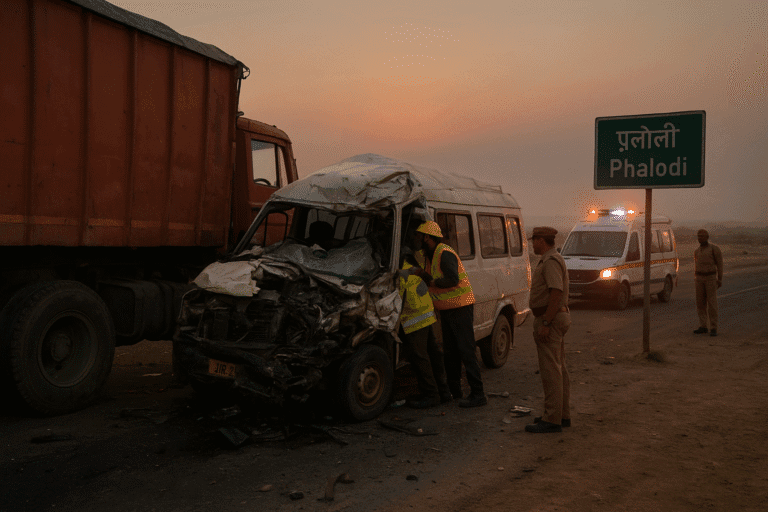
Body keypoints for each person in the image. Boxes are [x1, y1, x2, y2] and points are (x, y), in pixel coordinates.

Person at [411, 221, 487, 408]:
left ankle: (478, 394)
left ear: (427, 237)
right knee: (451, 352)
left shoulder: (444, 253)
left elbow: (452, 279)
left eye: (420, 236)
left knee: (466, 351)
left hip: (460, 308)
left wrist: (432, 282)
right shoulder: (430, 255)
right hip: (448, 310)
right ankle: (455, 393)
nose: (418, 239)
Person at [526, 226, 571, 433]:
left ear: (541, 241)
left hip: (550, 319)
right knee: (558, 368)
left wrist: (546, 322)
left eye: (533, 240)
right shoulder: (551, 258)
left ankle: (552, 419)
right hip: (553, 317)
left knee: (551, 371)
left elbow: (555, 292)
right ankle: (560, 414)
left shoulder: (551, 261)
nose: (532, 244)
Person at [398, 250, 452, 408]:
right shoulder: (411, 263)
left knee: (419, 356)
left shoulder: (397, 269)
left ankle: (431, 395)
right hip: (424, 311)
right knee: (433, 353)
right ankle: (444, 391)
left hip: (413, 314)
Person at [693, 229, 723, 337]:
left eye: (702, 236)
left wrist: (719, 279)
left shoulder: (714, 249)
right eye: (698, 236)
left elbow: (720, 265)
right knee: (700, 303)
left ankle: (713, 327)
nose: (700, 238)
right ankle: (703, 326)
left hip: (710, 278)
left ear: (707, 237)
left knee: (712, 303)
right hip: (699, 279)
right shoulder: (697, 251)